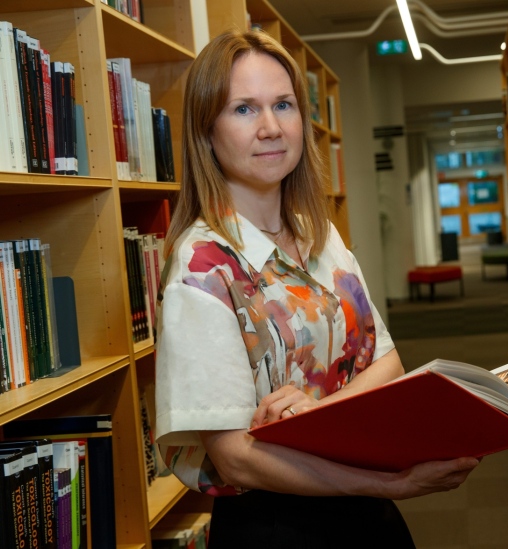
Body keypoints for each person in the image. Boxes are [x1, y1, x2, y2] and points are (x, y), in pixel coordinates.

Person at [153, 28, 479, 547]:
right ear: (205, 131)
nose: (270, 127)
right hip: (277, 527)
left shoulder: (321, 235)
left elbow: (389, 363)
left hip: (370, 517)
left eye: (283, 104)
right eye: (243, 109)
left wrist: (312, 411)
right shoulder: (202, 267)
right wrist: (388, 482)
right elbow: (236, 456)